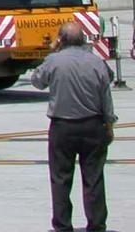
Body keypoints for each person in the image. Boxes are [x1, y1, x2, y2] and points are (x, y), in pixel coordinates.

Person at [30, 20, 115, 231]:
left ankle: (62, 225)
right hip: (93, 125)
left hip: (62, 127)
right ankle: (96, 224)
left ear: (61, 40)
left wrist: (50, 54)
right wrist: (109, 124)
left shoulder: (53, 61)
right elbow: (106, 92)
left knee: (60, 178)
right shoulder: (96, 62)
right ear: (83, 39)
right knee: (94, 178)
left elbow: (37, 81)